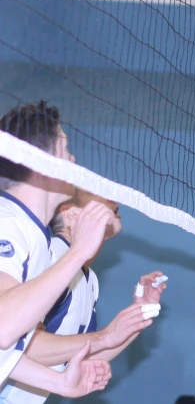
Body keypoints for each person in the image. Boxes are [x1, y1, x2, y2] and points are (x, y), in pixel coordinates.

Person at [0, 188, 167, 403]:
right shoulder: (53, 259)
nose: (112, 197)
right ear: (70, 212)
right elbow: (22, 347)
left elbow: (78, 360)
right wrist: (103, 336)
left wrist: (138, 317)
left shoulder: (89, 279)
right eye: (96, 192)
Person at [0, 101, 113, 396]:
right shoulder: (7, 223)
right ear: (41, 164)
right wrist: (78, 252)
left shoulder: (32, 234)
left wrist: (60, 383)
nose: (74, 160)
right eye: (65, 150)